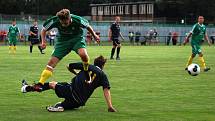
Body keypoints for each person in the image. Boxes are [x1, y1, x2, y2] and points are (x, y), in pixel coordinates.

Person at [21, 56, 117, 112]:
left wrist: (76, 73)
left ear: (94, 63)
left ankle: (26, 88)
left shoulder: (87, 66)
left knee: (52, 84)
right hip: (80, 102)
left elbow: (69, 66)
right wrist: (110, 106)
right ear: (103, 66)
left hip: (71, 91)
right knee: (61, 104)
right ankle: (61, 107)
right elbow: (106, 90)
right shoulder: (103, 76)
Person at [34, 9, 100, 90]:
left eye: (65, 23)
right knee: (51, 62)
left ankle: (86, 70)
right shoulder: (54, 20)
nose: (64, 25)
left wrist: (95, 35)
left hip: (77, 39)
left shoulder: (77, 19)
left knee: (83, 54)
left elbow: (88, 26)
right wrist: (43, 42)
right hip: (63, 41)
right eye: (62, 23)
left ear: (69, 18)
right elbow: (44, 29)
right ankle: (40, 83)